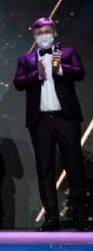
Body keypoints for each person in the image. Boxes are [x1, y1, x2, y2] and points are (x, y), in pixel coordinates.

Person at [13, 17, 91, 231]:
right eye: (39, 33)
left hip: (66, 118)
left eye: (47, 32)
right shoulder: (26, 59)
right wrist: (36, 75)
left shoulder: (67, 53)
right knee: (45, 170)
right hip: (40, 122)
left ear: (54, 33)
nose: (43, 36)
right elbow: (18, 82)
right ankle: (51, 219)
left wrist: (60, 69)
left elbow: (80, 73)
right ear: (34, 36)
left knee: (74, 168)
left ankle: (81, 218)